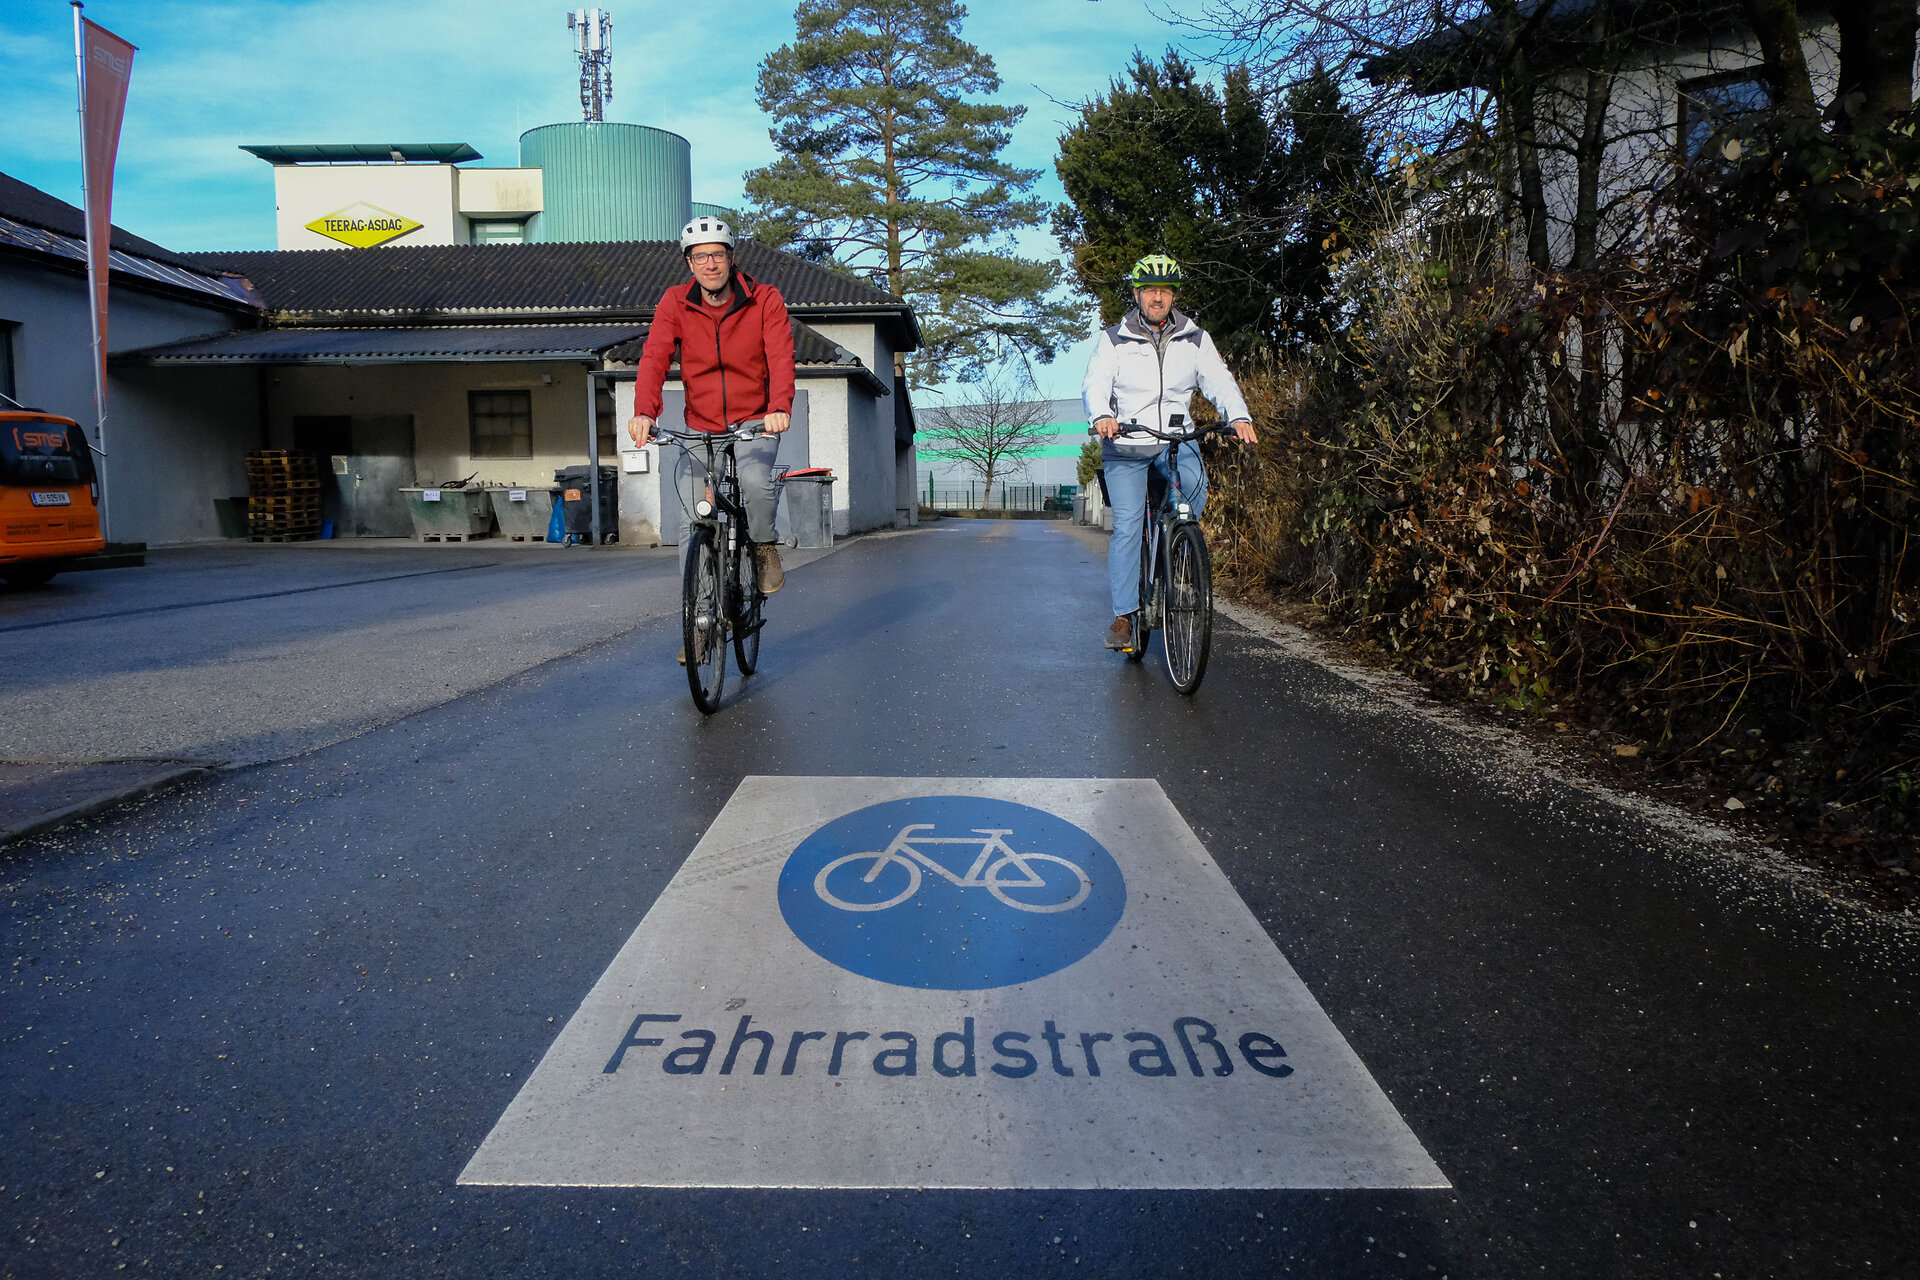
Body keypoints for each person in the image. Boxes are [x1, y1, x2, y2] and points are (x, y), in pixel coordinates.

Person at [627, 216, 794, 661]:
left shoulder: (764, 300)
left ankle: (762, 547)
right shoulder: (674, 303)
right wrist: (645, 410)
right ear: (689, 263)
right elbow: (654, 357)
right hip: (701, 426)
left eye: (717, 254)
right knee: (693, 518)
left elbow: (780, 356)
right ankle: (701, 622)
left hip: (755, 420)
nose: (709, 263)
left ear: (731, 257)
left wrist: (779, 407)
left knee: (757, 482)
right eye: (700, 257)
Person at [1083, 253, 1258, 652]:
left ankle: (1176, 553)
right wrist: (1102, 414)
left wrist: (1239, 416)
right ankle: (1125, 616)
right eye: (1149, 291)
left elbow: (1219, 381)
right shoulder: (1113, 339)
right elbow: (1095, 384)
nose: (1156, 298)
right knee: (1128, 525)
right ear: (1137, 294)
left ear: (1173, 295)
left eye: (1164, 291)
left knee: (1195, 489)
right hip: (1126, 443)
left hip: (1176, 440)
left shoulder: (1195, 338)